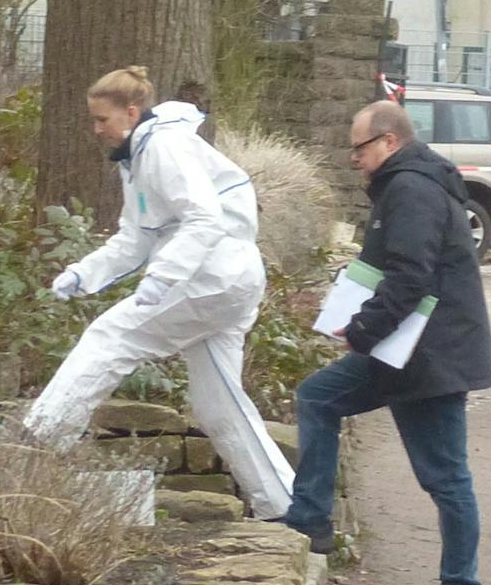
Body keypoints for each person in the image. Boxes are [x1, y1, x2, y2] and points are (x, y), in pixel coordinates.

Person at [22, 66, 295, 520]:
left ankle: (40, 436)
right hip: (223, 279)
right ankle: (288, 507)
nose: (96, 130)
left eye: (102, 120)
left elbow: (204, 218)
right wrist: (83, 273)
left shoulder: (164, 148)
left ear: (131, 113)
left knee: (111, 337)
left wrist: (163, 278)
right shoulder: (140, 157)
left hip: (210, 276)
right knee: (218, 405)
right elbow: (135, 237)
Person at [279, 100, 491, 585]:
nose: (355, 159)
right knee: (318, 397)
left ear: (390, 142)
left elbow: (409, 276)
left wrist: (362, 328)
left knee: (445, 477)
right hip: (409, 350)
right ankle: (309, 521)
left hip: (427, 356)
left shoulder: (411, 190)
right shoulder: (414, 184)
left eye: (360, 147)